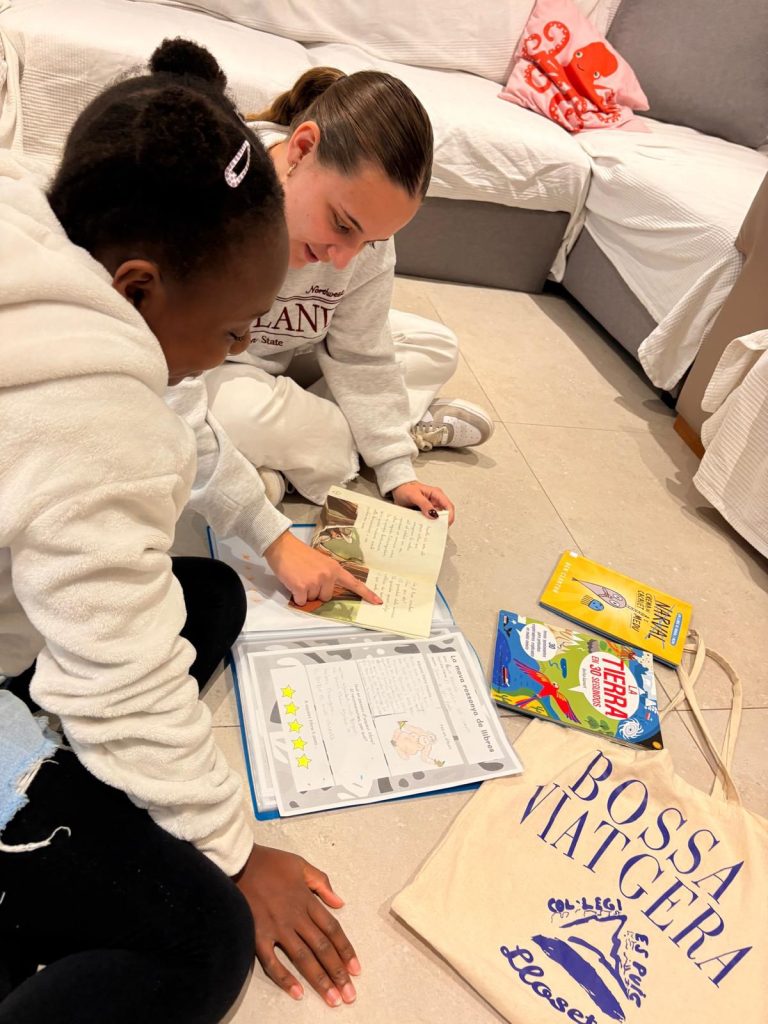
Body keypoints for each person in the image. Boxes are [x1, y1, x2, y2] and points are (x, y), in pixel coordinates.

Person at [0, 39, 362, 1024]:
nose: (234, 355)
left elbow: (188, 429)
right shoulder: (92, 416)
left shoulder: (43, 241)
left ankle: (70, 795)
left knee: (206, 595)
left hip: (30, 639)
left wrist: (275, 540)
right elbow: (115, 675)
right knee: (209, 930)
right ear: (137, 289)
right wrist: (234, 848)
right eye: (237, 332)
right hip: (18, 708)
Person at [204, 67, 495, 606]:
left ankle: (313, 451)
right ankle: (354, 438)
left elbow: (362, 349)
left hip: (290, 359)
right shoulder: (222, 191)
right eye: (342, 225)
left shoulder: (362, 247)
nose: (344, 258)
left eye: (371, 240)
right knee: (231, 412)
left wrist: (395, 470)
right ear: (302, 148)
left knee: (436, 346)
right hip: (215, 370)